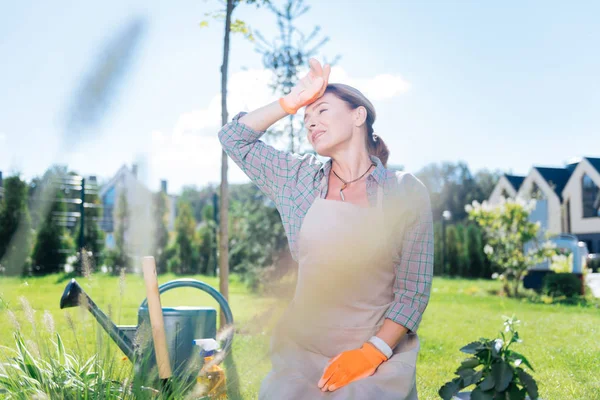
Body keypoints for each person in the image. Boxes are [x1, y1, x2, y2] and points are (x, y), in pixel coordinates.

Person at [218, 58, 433, 399]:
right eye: (305, 118)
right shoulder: (297, 180)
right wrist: (292, 100)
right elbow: (234, 138)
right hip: (301, 356)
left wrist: (371, 354)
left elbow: (413, 292)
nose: (311, 123)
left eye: (321, 111)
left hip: (377, 356)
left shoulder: (404, 191)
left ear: (358, 116)